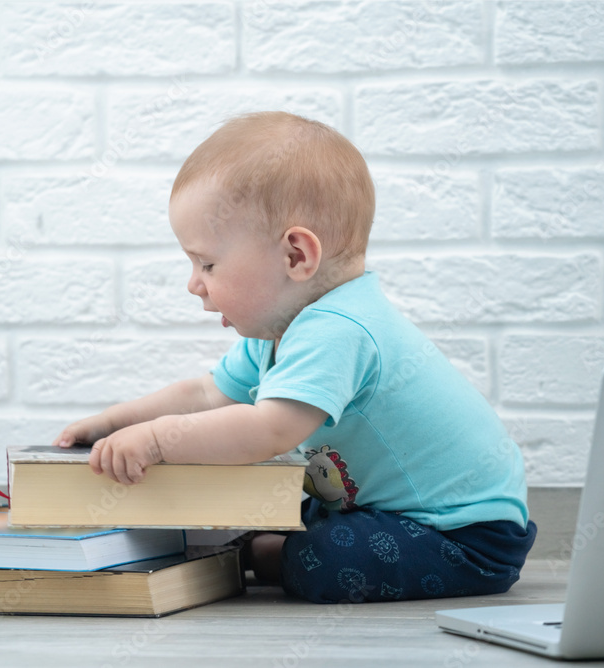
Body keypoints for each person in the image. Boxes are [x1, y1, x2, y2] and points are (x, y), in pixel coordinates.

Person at [54, 111, 536, 604]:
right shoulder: (277, 331)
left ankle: (252, 555)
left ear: (295, 257)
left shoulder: (338, 329)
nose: (193, 283)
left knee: (323, 558)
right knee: (282, 507)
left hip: (462, 536)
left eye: (208, 263)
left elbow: (268, 432)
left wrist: (158, 440)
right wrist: (113, 423)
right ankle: (254, 546)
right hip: (378, 513)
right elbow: (205, 394)